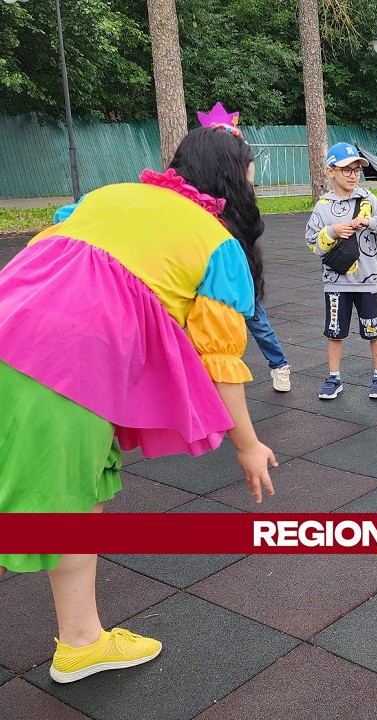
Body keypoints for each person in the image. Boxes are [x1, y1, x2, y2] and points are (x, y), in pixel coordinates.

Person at [0, 125, 278, 682]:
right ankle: (80, 641)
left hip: (14, 321)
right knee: (54, 505)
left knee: (76, 502)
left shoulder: (108, 195)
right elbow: (222, 362)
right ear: (232, 178)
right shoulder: (215, 243)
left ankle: (81, 641)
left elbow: (58, 254)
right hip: (61, 361)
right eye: (251, 172)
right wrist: (248, 446)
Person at [196, 104, 293, 393]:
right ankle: (203, 380)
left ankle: (279, 365)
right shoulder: (198, 196)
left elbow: (249, 234)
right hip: (208, 275)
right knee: (207, 330)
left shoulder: (240, 197)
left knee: (257, 322)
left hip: (238, 271)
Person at [305, 142, 377, 400]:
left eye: (356, 169)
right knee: (335, 332)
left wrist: (370, 222)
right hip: (335, 283)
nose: (352, 175)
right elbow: (311, 243)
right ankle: (334, 377)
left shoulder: (368, 200)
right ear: (330, 171)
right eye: (345, 169)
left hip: (368, 282)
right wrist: (332, 231)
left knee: (375, 330)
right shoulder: (323, 206)